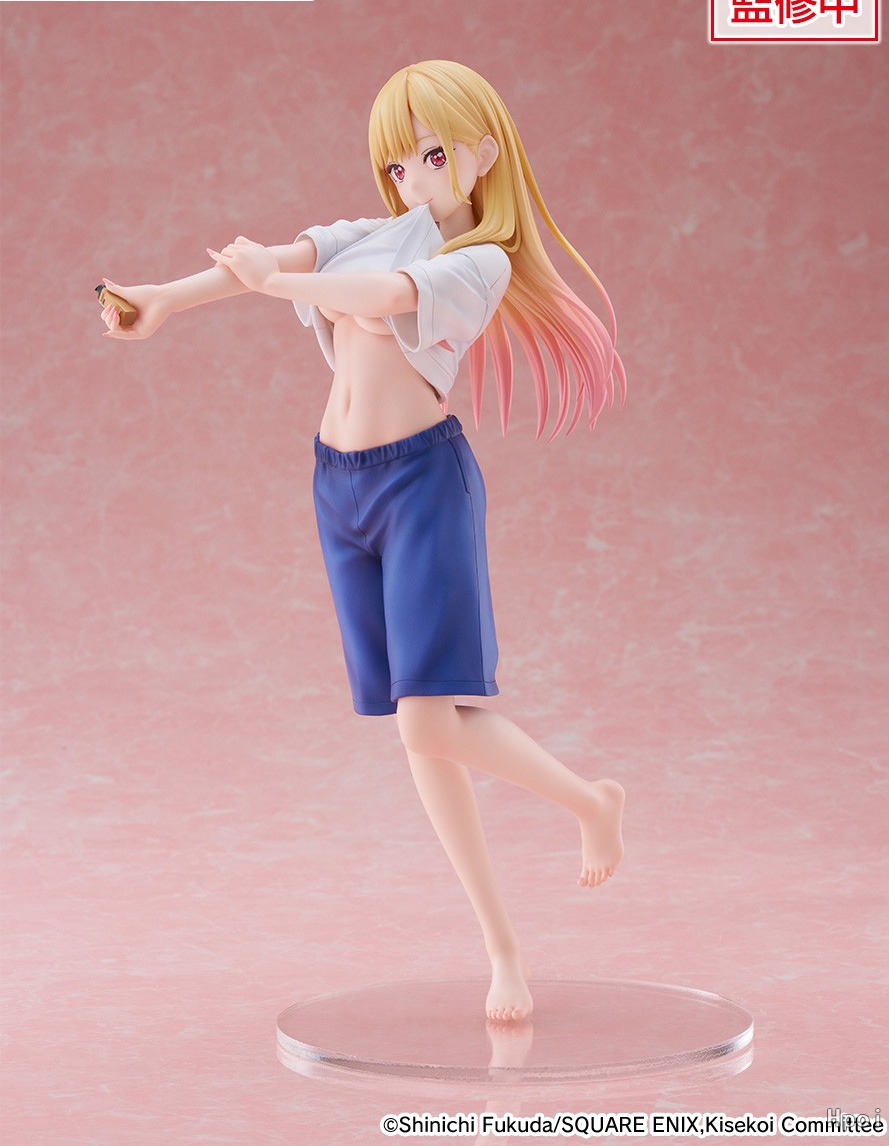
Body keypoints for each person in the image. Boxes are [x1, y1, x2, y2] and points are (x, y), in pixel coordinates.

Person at [100, 60, 626, 1022]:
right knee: (418, 732)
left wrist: (278, 280)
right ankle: (507, 939)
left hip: (421, 487)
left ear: (481, 154)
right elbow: (280, 258)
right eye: (397, 164)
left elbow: (382, 296)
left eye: (431, 157)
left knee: (429, 723)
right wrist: (166, 297)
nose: (412, 179)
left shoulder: (482, 261)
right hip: (337, 489)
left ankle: (586, 809)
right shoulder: (373, 231)